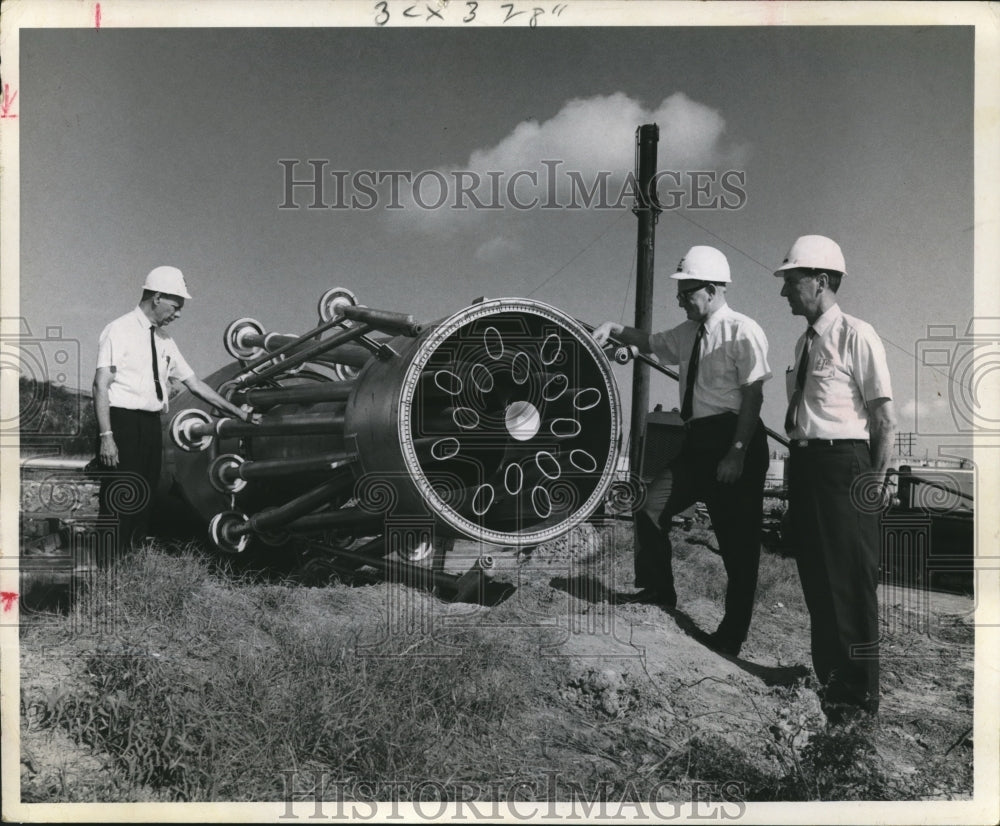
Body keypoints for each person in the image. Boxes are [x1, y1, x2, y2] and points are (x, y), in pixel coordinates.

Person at [592, 245, 771, 657]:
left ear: (710, 290)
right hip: (697, 442)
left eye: (686, 292)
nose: (679, 300)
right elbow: (651, 342)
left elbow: (753, 398)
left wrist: (737, 453)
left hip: (734, 439)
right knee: (649, 506)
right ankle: (658, 592)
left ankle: (731, 636)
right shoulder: (689, 333)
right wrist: (613, 327)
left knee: (737, 545)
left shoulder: (743, 331)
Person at [774, 234, 896, 725]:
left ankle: (859, 700)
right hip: (806, 465)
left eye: (792, 281)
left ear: (820, 282)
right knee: (817, 580)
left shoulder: (856, 335)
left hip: (845, 466)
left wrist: (878, 481)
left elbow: (884, 419)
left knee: (849, 581)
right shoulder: (805, 342)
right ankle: (831, 683)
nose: (784, 292)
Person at [93, 265, 259, 551]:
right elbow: (100, 385)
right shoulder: (118, 330)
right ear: (157, 297)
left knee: (144, 501)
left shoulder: (165, 341)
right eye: (175, 305)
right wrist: (106, 437)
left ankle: (132, 568)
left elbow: (195, 384)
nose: (178, 313)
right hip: (122, 423)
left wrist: (239, 412)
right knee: (120, 499)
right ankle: (108, 576)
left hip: (151, 424)